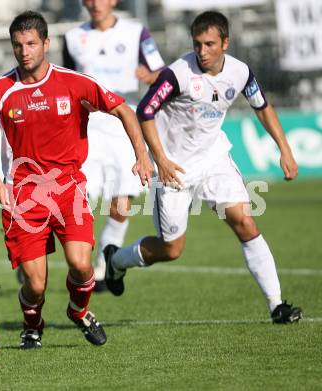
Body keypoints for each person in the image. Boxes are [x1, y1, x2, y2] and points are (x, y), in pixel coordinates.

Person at [103, 10, 303, 324]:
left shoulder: (239, 72)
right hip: (174, 169)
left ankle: (277, 305)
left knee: (244, 222)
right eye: (197, 44)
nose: (202, 51)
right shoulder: (178, 74)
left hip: (213, 158)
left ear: (225, 42)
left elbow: (262, 107)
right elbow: (145, 112)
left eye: (209, 44)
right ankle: (116, 260)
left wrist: (285, 149)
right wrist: (161, 160)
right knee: (171, 250)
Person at [0, 10, 154, 349]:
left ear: (46, 43)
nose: (24, 51)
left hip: (68, 190)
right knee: (36, 285)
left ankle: (78, 311)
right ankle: (32, 325)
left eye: (30, 43)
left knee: (82, 264)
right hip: (23, 197)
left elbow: (124, 110)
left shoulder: (73, 83)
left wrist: (142, 155)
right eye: (17, 45)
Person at [62, 0, 165, 291]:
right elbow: (64, 81)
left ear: (113, 1)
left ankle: (105, 265)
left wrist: (151, 75)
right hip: (88, 124)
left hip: (123, 120)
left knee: (122, 200)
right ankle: (52, 258)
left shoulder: (136, 33)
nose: (95, 4)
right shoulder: (72, 38)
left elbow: (163, 73)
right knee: (78, 198)